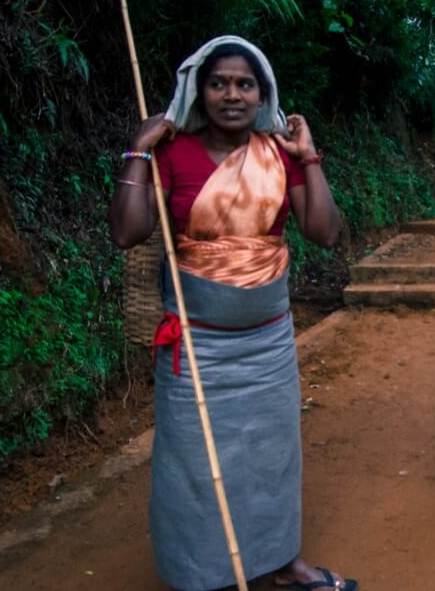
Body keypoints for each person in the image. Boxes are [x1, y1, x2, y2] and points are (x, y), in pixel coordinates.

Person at [108, 36, 356, 591]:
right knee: (192, 468)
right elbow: (127, 232)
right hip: (197, 349)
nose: (232, 94)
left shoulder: (277, 153)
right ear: (200, 90)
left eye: (245, 83)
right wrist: (138, 150)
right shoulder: (171, 154)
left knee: (272, 460)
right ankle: (203, 576)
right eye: (219, 82)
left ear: (261, 92)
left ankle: (281, 563)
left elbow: (323, 231)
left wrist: (308, 155)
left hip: (267, 347)